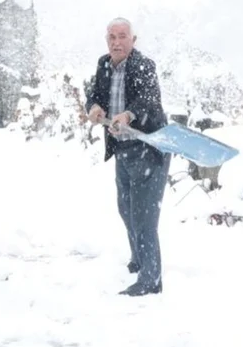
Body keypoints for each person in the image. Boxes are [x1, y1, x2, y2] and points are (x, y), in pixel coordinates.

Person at [85, 17, 171, 296]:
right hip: (122, 149)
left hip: (148, 148)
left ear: (133, 40)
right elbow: (94, 95)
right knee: (126, 209)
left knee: (144, 216)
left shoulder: (143, 65)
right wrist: (94, 107)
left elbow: (149, 99)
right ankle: (139, 259)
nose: (117, 42)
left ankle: (151, 279)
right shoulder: (103, 65)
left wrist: (128, 115)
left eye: (123, 36)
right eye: (112, 37)